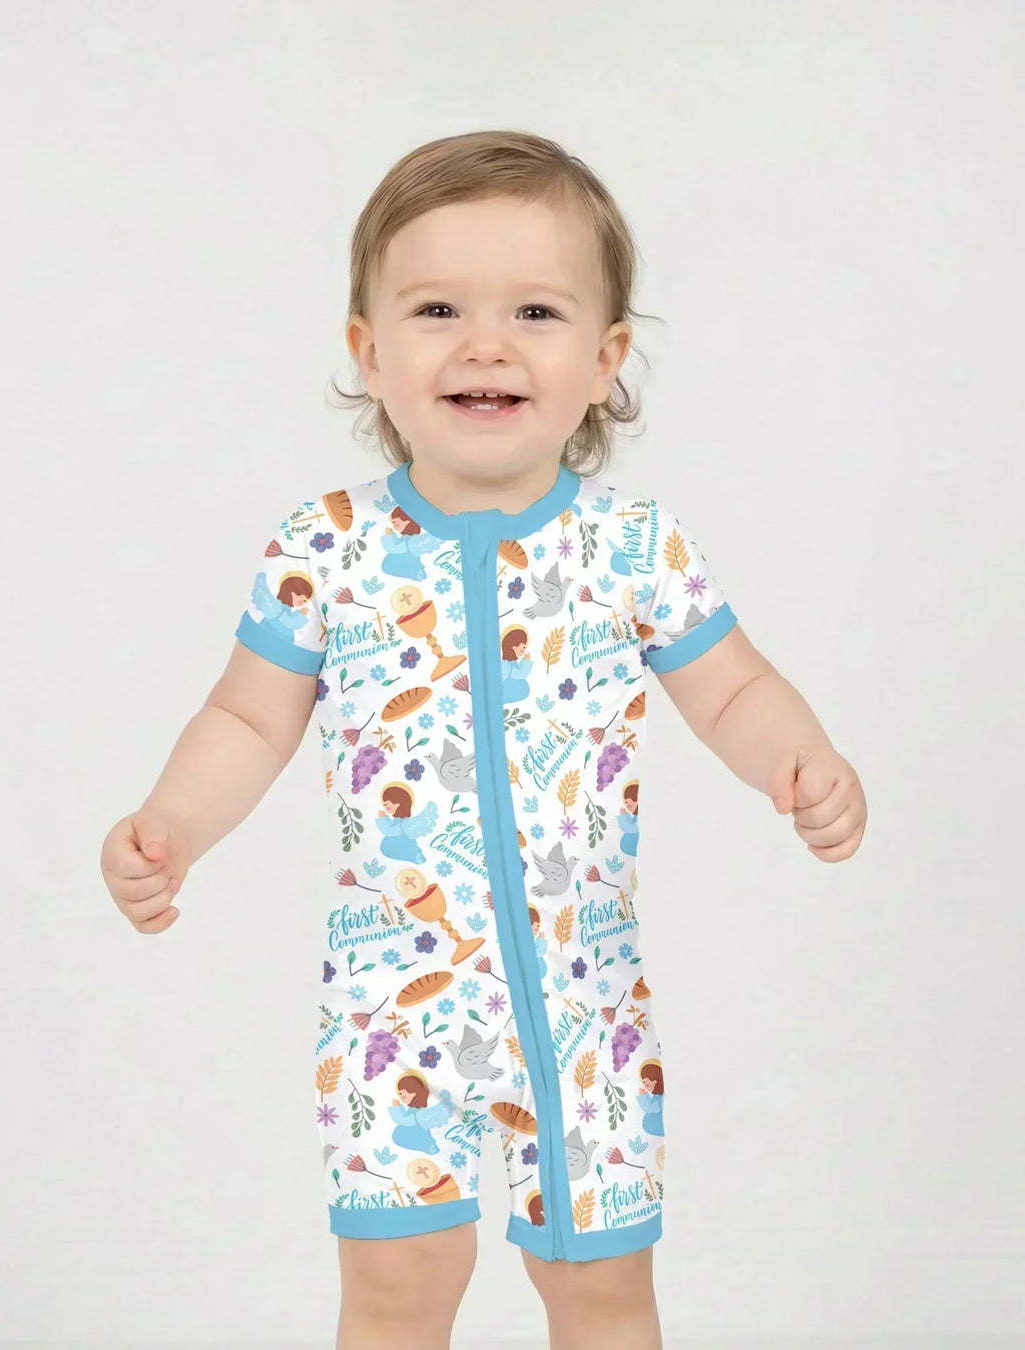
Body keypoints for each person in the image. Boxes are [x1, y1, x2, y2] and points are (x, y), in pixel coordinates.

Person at [100, 129, 868, 1350]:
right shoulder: (326, 549)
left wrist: (802, 760)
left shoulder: (634, 549)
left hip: (587, 1010)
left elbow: (733, 690)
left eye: (537, 312)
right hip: (393, 1010)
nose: (485, 344)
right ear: (369, 352)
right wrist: (173, 824)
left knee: (601, 1294)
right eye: (438, 309)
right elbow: (247, 716)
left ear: (606, 360)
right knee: (397, 1293)